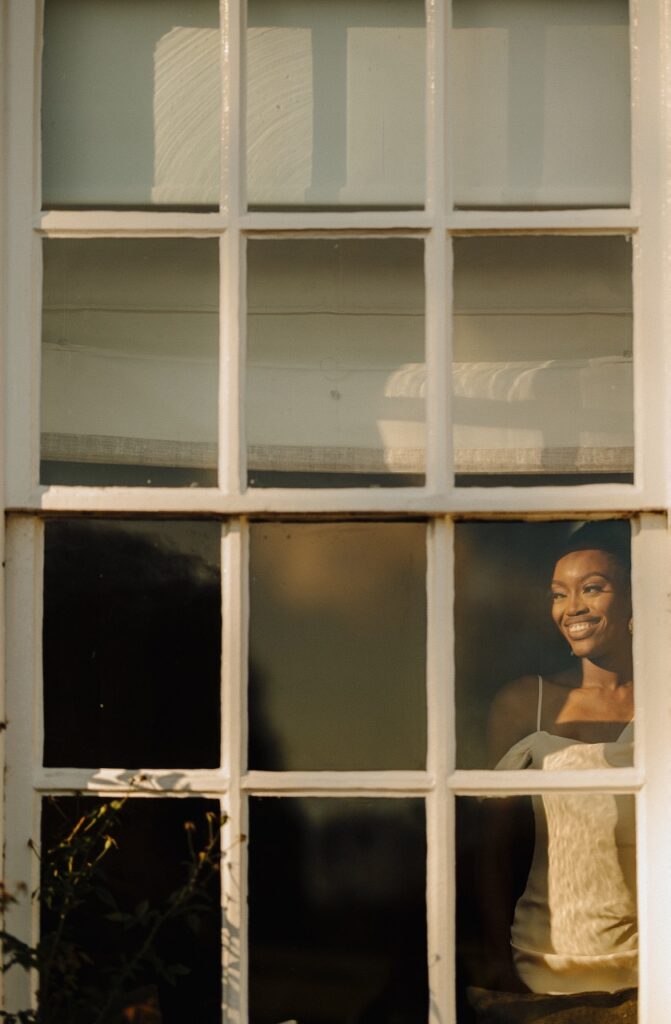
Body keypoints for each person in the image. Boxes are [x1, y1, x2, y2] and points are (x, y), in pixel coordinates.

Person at [483, 522, 636, 997]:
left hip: (652, 969)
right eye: (558, 594)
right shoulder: (526, 703)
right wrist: (498, 965)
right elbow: (491, 853)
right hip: (541, 969)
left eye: (593, 588)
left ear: (636, 596)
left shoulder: (666, 701)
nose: (573, 608)